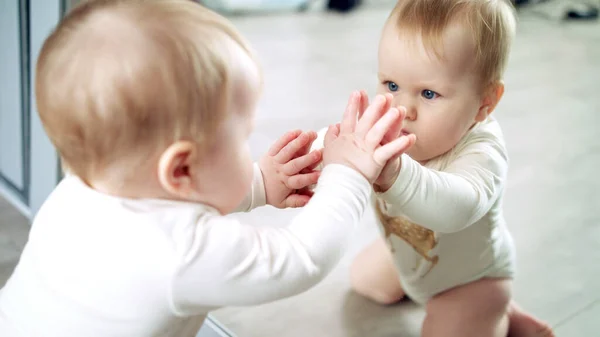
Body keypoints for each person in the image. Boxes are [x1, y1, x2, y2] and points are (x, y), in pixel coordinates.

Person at [0, 1, 413, 336]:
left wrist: (258, 183)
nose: (250, 143)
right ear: (181, 170)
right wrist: (349, 175)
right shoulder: (180, 256)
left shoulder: (79, 191)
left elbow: (173, 206)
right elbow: (300, 259)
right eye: (241, 135)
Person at [312, 0, 555, 336]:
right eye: (391, 85)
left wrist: (395, 174)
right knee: (364, 281)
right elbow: (338, 146)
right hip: (412, 255)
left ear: (485, 103)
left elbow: (456, 208)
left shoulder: (482, 150)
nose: (403, 108)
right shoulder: (391, 124)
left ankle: (499, 313)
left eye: (428, 93)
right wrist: (313, 159)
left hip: (472, 281)